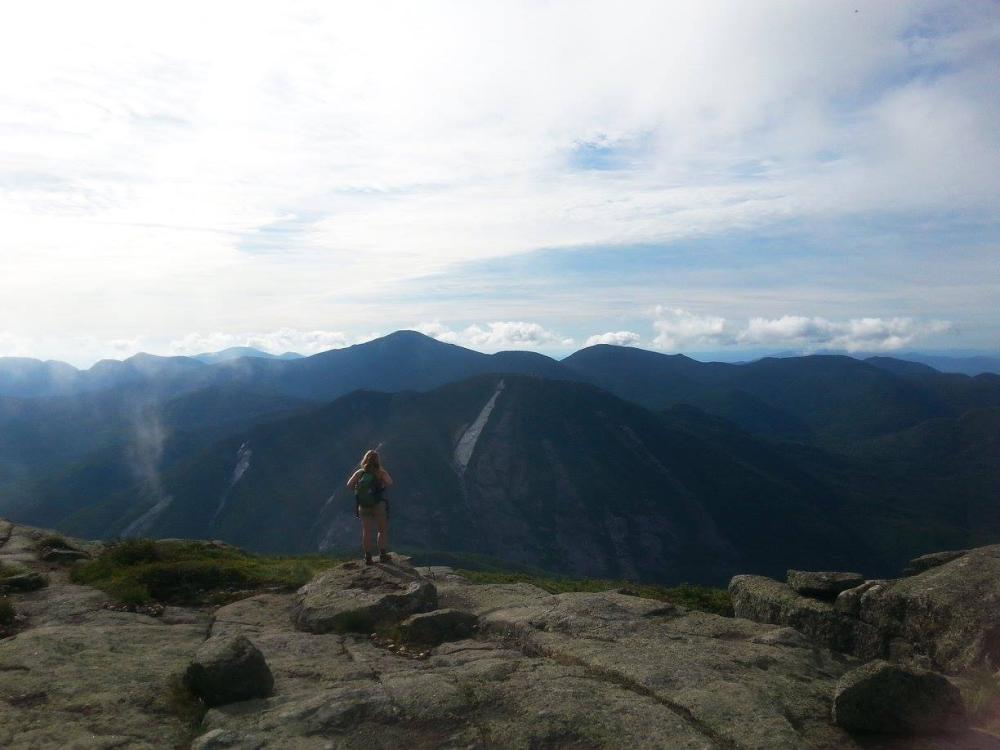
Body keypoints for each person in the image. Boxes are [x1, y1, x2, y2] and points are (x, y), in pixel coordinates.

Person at [347, 449, 394, 565]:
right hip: (378, 504)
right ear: (377, 460)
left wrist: (359, 490)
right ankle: (383, 555)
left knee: (366, 531)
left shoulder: (360, 473)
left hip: (363, 505)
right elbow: (390, 483)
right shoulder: (380, 472)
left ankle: (368, 557)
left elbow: (349, 485)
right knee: (382, 530)